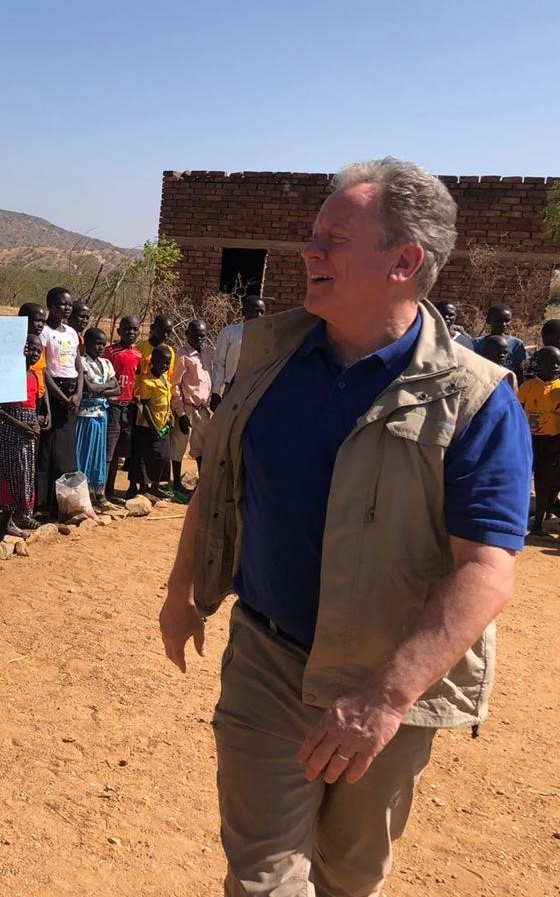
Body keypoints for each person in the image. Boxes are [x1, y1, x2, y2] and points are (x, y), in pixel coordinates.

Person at [160, 158, 531, 897]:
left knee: (350, 877)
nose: (308, 252)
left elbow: (486, 570)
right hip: (267, 655)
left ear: (404, 262)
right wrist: (182, 593)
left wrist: (387, 697)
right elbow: (220, 483)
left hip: (386, 674)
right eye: (313, 235)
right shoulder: (270, 357)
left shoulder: (476, 398)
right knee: (263, 877)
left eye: (334, 238)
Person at [0, 334, 44, 541]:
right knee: (5, 477)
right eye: (30, 348)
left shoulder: (34, 376)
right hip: (11, 430)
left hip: (28, 434)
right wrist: (18, 424)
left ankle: (5, 526)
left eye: (38, 350)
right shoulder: (9, 374)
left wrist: (37, 421)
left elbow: (34, 406)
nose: (34, 353)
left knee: (22, 477)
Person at [36, 287, 83, 517]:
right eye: (62, 304)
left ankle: (63, 504)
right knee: (49, 450)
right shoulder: (44, 332)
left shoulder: (72, 333)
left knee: (66, 451)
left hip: (73, 394)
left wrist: (78, 394)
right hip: (54, 393)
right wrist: (62, 398)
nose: (66, 308)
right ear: (50, 305)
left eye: (69, 304)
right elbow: (43, 369)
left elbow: (78, 364)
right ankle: (43, 504)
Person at [169, 317, 214, 498]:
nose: (199, 338)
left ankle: (201, 483)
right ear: (187, 334)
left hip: (202, 408)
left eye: (202, 335)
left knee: (202, 445)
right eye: (195, 335)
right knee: (180, 444)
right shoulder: (182, 355)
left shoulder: (207, 353)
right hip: (186, 407)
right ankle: (176, 483)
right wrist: (180, 413)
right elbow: (175, 385)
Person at [518, 346, 560, 535]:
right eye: (550, 363)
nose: (555, 367)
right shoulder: (528, 387)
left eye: (558, 363)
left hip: (554, 442)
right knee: (533, 479)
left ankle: (542, 519)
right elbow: (517, 410)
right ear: (539, 364)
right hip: (531, 440)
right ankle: (534, 522)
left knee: (550, 481)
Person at [76, 327, 119, 510]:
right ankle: (83, 496)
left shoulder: (106, 363)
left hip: (102, 414)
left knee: (98, 455)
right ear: (87, 343)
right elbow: (88, 388)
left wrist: (97, 388)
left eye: (104, 344)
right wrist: (106, 386)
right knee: (84, 455)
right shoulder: (81, 362)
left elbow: (117, 389)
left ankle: (98, 494)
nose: (101, 347)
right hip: (86, 416)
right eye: (97, 343)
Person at [103, 315, 142, 504]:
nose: (131, 333)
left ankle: (112, 491)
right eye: (127, 329)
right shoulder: (110, 352)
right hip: (112, 406)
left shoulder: (138, 354)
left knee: (120, 451)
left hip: (129, 408)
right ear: (119, 331)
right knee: (109, 452)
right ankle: (103, 491)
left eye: (134, 329)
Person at [129, 344, 173, 498]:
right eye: (162, 363)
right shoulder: (147, 381)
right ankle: (143, 488)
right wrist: (153, 426)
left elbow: (167, 400)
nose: (165, 366)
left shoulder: (165, 378)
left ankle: (155, 486)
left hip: (162, 423)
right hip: (147, 425)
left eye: (168, 363)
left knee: (163, 456)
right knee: (145, 457)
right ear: (153, 361)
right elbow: (145, 405)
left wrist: (170, 417)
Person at [211, 294, 266, 399]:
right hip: (232, 389)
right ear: (244, 312)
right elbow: (219, 363)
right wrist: (216, 391)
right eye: (255, 311)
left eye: (262, 312)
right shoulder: (230, 332)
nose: (259, 315)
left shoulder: (266, 337)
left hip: (255, 391)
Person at [473, 303, 526, 384]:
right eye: (499, 320)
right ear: (488, 320)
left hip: (508, 386)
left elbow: (519, 371)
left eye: (507, 321)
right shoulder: (478, 344)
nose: (504, 324)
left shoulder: (516, 344)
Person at [139, 313, 176, 379]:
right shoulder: (140, 347)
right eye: (162, 330)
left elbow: (169, 375)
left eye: (168, 332)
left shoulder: (170, 352)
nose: (165, 335)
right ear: (153, 328)